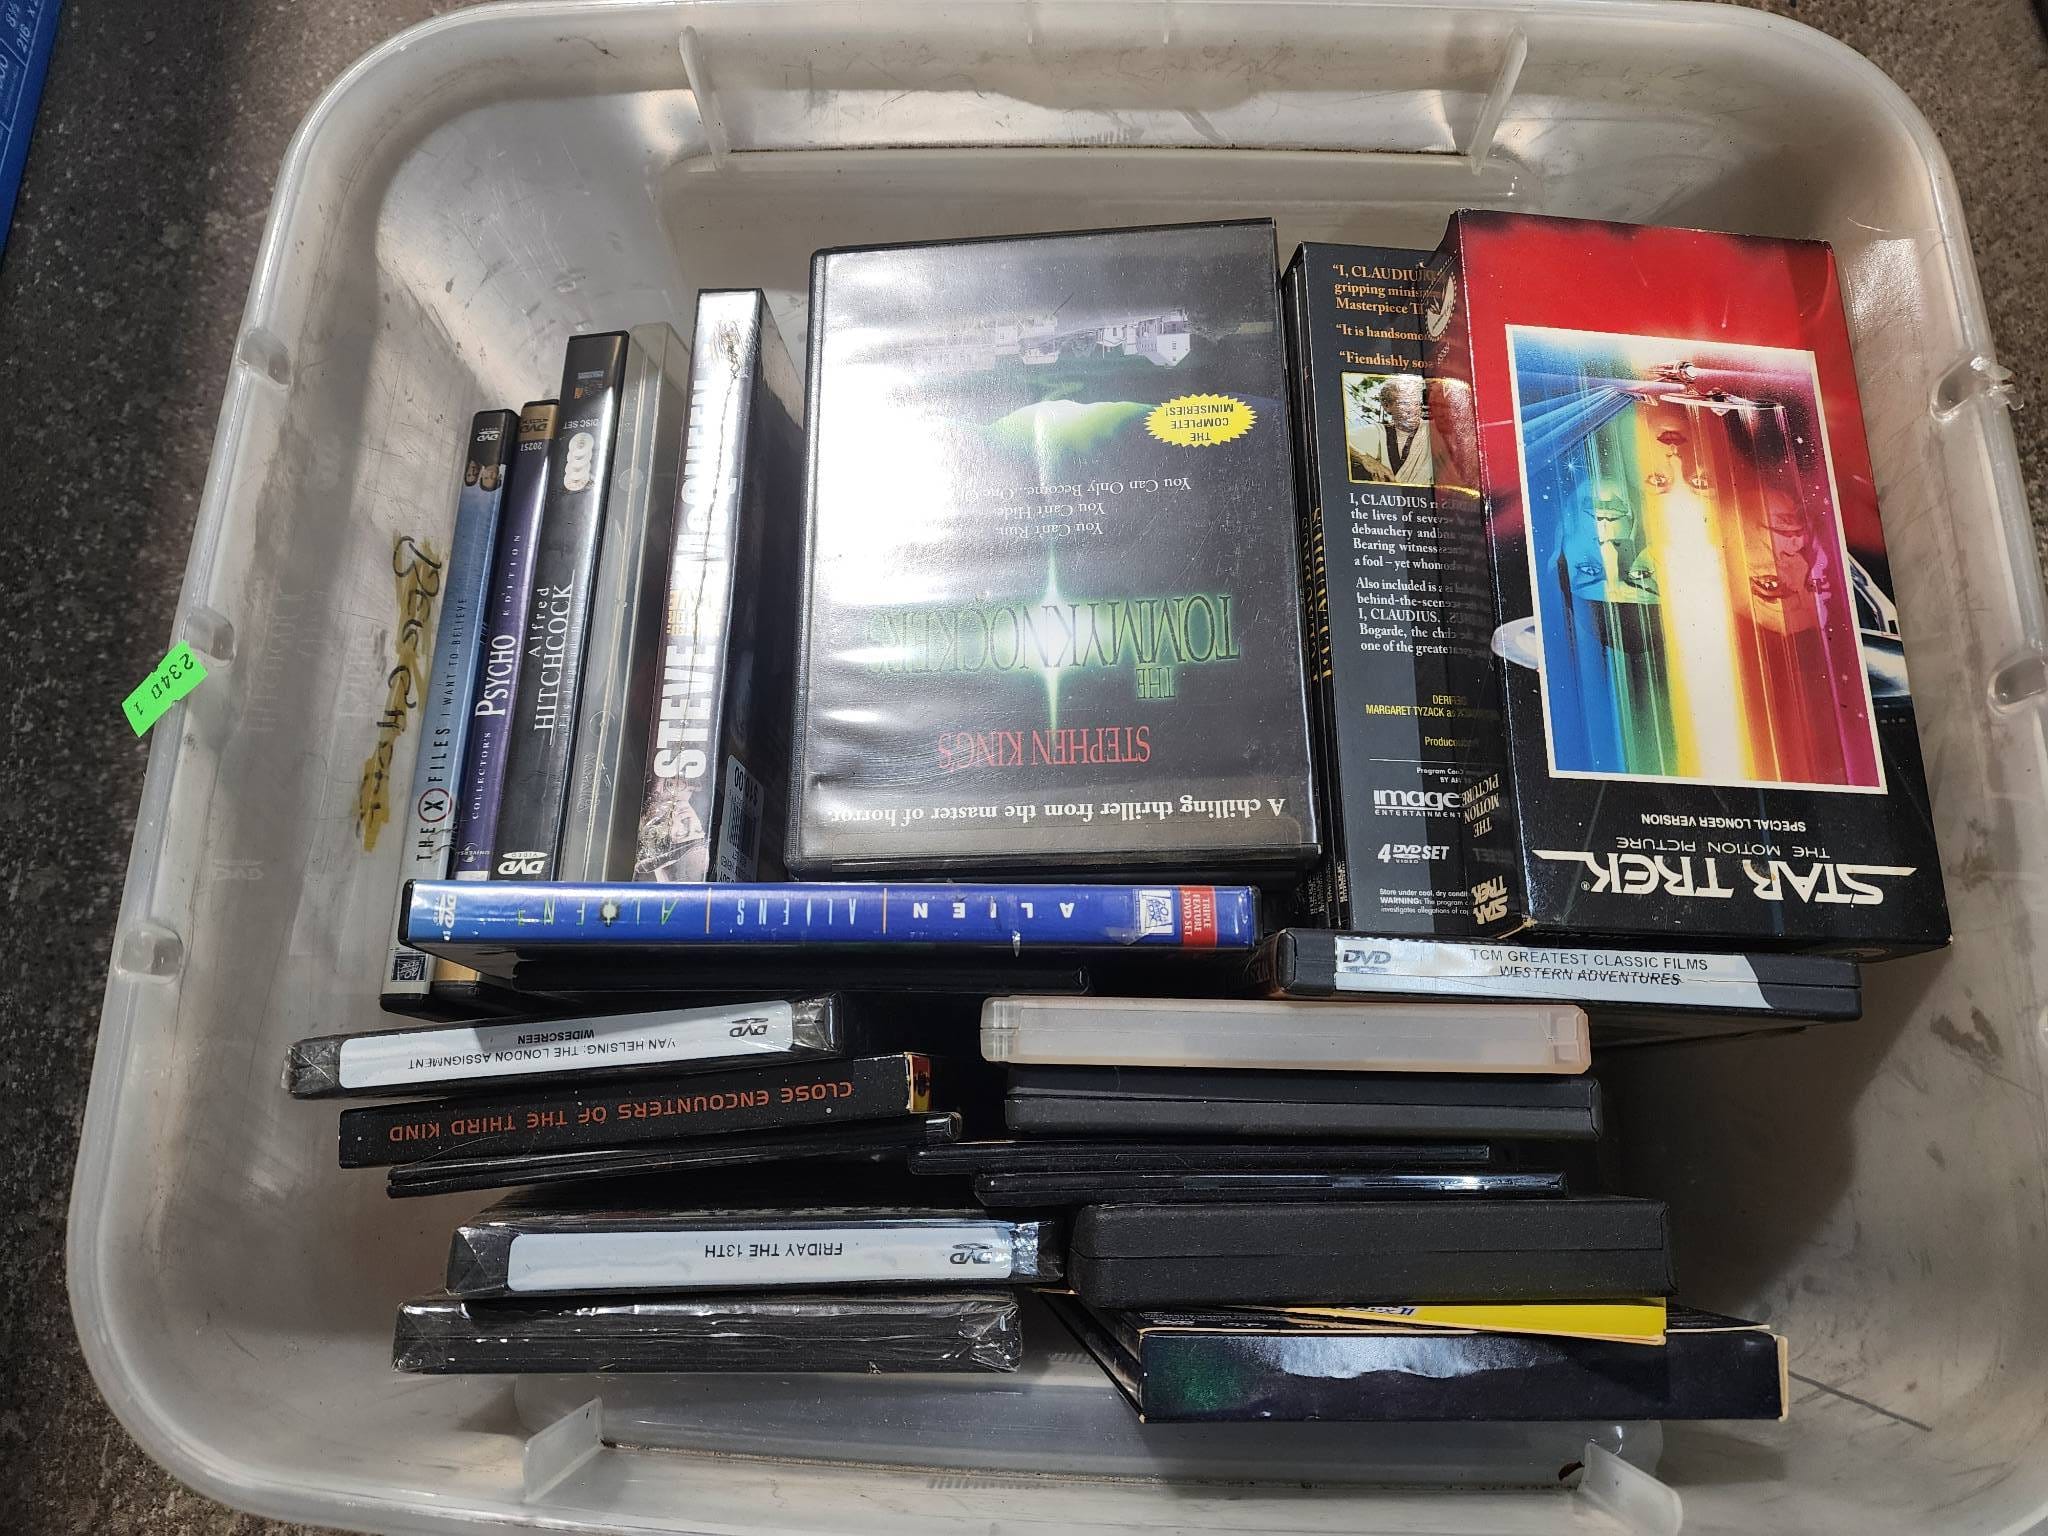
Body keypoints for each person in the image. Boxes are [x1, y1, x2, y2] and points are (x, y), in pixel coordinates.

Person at [1348, 374, 1432, 485]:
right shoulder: (1380, 432)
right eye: (1404, 403)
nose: (1412, 409)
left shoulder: (1432, 430)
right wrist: (1364, 458)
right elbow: (1337, 439)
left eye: (1416, 403)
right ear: (1387, 406)